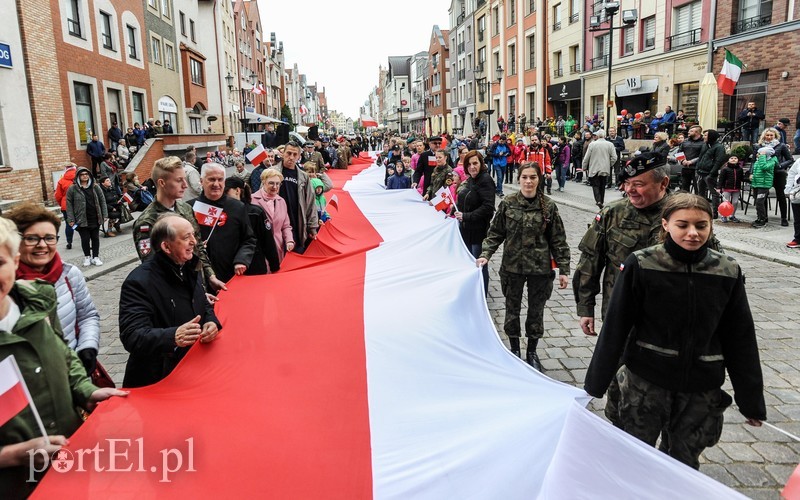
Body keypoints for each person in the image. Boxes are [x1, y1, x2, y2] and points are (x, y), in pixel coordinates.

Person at [584, 193, 765, 470]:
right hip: (646, 386)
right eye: (683, 225)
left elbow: (740, 337)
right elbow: (616, 328)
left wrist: (751, 400)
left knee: (682, 466)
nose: (693, 233)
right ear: (666, 224)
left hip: (700, 391)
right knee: (634, 460)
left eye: (701, 226)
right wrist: (594, 386)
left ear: (711, 226)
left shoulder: (726, 270)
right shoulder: (642, 264)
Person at [0, 218, 126, 495]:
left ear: (14, 260)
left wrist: (86, 391)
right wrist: (10, 455)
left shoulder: (37, 302)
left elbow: (64, 356)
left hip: (70, 461)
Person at [477, 162, 570, 371]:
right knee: (512, 310)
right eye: (525, 177)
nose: (528, 181)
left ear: (539, 179)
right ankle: (515, 350)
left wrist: (564, 269)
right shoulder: (508, 203)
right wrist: (485, 255)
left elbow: (558, 240)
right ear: (519, 179)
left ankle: (532, 351)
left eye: (533, 177)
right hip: (512, 267)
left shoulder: (549, 206)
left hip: (540, 269)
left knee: (536, 311)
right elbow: (495, 233)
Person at [120, 214, 221, 388]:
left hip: (192, 370)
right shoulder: (139, 282)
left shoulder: (190, 266)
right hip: (158, 379)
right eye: (185, 237)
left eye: (193, 235)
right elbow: (132, 336)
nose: (194, 242)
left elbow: (202, 303)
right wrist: (172, 337)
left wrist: (211, 322)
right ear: (166, 246)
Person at [6, 203, 101, 376]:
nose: (42, 245)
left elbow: (87, 316)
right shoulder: (6, 285)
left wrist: (87, 348)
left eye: (49, 238)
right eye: (32, 238)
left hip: (75, 372)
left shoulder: (69, 274)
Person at [132, 156, 224, 293]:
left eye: (184, 179)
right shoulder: (147, 222)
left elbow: (197, 246)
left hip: (198, 284)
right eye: (179, 180)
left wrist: (210, 275)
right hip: (175, 292)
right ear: (162, 183)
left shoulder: (185, 209)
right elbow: (152, 267)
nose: (185, 185)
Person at [189, 163, 256, 283]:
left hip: (232, 275)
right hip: (200, 277)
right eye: (211, 179)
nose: (216, 184)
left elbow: (249, 239)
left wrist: (241, 260)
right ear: (201, 181)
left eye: (220, 180)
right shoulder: (189, 208)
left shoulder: (237, 207)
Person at [455, 151, 496, 296]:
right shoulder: (471, 179)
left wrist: (466, 216)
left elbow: (487, 207)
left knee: (479, 264)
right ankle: (473, 293)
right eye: (469, 164)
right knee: (469, 262)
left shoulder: (485, 180)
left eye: (475, 163)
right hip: (466, 229)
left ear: (481, 164)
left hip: (478, 230)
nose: (472, 167)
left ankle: (481, 296)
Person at [224, 177, 279, 275]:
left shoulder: (255, 212)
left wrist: (275, 267)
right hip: (230, 268)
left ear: (237, 191)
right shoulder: (222, 213)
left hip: (254, 266)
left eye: (225, 192)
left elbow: (267, 242)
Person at [66, 167, 107, 267]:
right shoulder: (73, 188)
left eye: (86, 174)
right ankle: (87, 257)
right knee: (85, 239)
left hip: (94, 217)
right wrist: (71, 219)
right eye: (82, 174)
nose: (85, 176)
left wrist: (105, 214)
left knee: (95, 238)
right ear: (78, 176)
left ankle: (95, 257)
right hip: (81, 219)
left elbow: (102, 200)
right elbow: (69, 204)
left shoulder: (95, 187)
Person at [251, 168, 295, 262]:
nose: (275, 187)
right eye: (271, 183)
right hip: (259, 250)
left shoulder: (281, 201)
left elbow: (286, 226)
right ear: (263, 182)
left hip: (278, 248)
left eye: (278, 183)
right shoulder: (252, 200)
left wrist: (289, 240)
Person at [756, 127, 794, 226]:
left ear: (775, 136)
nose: (769, 137)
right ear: (764, 136)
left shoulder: (781, 145)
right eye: (767, 135)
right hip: (764, 173)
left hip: (778, 173)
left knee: (780, 195)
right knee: (763, 196)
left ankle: (784, 218)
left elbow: (790, 159)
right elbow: (753, 161)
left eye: (771, 135)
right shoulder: (759, 146)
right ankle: (763, 217)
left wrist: (781, 165)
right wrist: (752, 172)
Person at [581, 129, 617, 208]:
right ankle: (601, 200)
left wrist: (584, 167)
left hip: (594, 168)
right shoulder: (610, 144)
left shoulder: (592, 144)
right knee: (602, 185)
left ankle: (598, 200)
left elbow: (586, 157)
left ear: (597, 136)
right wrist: (609, 164)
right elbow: (614, 157)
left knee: (595, 185)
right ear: (604, 135)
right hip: (605, 168)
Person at [695, 129, 726, 217]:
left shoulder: (719, 147)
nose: (703, 137)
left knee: (714, 193)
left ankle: (715, 211)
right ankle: (702, 210)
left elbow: (718, 161)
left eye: (705, 135)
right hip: (701, 172)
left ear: (711, 137)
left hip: (709, 174)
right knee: (701, 193)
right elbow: (700, 157)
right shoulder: (705, 145)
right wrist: (697, 169)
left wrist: (712, 173)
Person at [750, 146, 777, 228]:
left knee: (759, 202)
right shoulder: (759, 161)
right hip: (756, 184)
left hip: (764, 185)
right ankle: (759, 217)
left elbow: (764, 167)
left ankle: (762, 219)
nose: (757, 155)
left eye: (760, 153)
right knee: (757, 202)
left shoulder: (772, 161)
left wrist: (762, 157)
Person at [54, 163, 78, 250]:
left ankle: (69, 242)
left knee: (69, 224)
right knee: (82, 222)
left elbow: (58, 196)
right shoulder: (80, 177)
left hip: (66, 205)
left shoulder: (61, 181)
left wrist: (62, 204)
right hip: (79, 204)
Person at [717, 154, 744, 222]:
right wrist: (719, 188)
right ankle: (724, 216)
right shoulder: (725, 169)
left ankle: (732, 215)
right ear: (728, 160)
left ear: (738, 160)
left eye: (735, 158)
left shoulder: (740, 169)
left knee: (735, 202)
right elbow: (721, 179)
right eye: (731, 158)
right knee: (726, 202)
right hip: (727, 188)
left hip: (736, 188)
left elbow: (742, 178)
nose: (733, 159)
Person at [678, 125, 705, 193]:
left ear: (697, 132)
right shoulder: (685, 142)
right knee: (684, 188)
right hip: (685, 167)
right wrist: (682, 160)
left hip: (697, 168)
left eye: (691, 131)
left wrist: (691, 161)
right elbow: (679, 152)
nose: (688, 132)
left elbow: (703, 155)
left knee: (697, 188)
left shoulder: (703, 143)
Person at [785, 158, 800, 248]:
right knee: (797, 218)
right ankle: (797, 239)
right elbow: (791, 173)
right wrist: (788, 188)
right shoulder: (799, 161)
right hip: (797, 192)